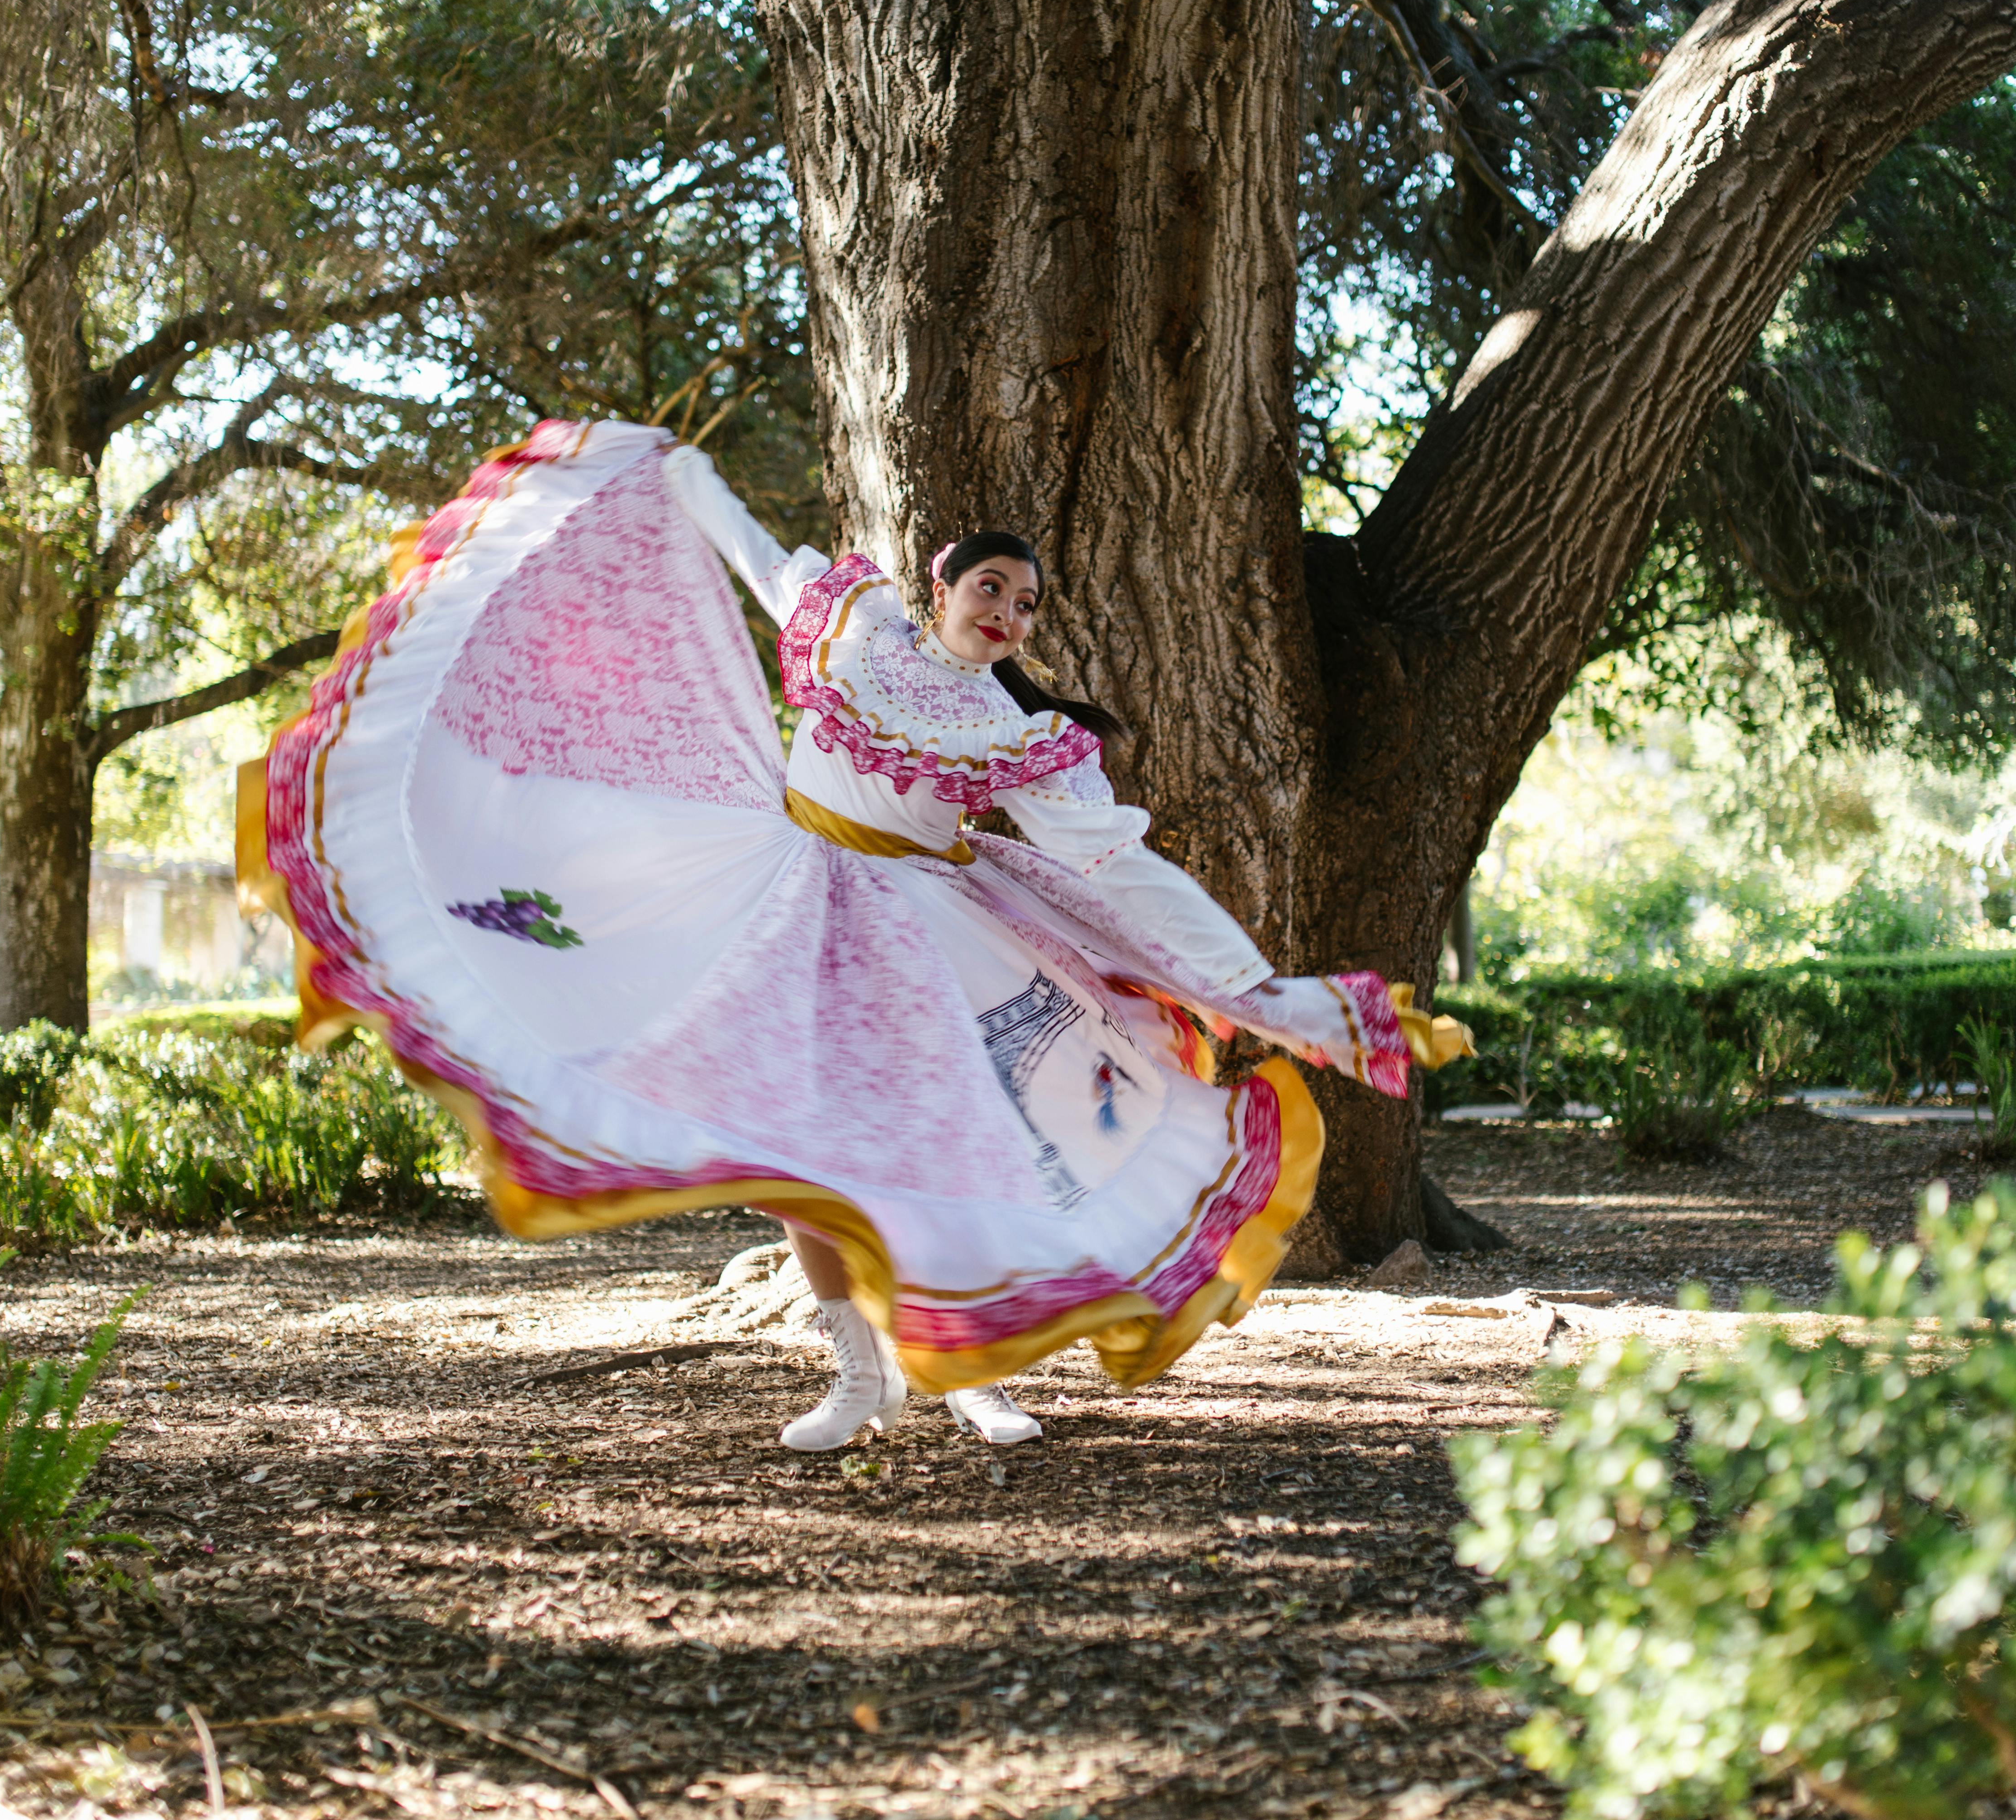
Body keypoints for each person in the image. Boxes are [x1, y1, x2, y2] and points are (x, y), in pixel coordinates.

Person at [242, 419, 1466, 1453]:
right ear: (943, 584)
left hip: (927, 926)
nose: (1007, 612)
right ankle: (860, 1374)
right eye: (991, 588)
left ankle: (967, 1364)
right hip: (780, 893)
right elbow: (755, 558)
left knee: (955, 1138)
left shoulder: (1015, 733)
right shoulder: (856, 630)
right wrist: (684, 472)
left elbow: (1119, 864)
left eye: (1026, 604)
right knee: (802, 1152)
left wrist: (1257, 987)